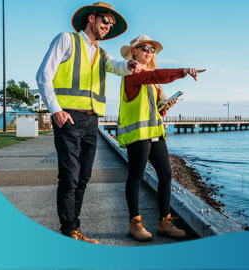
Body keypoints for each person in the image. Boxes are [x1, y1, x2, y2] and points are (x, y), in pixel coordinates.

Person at [36, 2, 141, 244]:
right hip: (69, 118)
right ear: (92, 18)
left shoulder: (102, 54)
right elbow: (43, 75)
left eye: (111, 25)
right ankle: (69, 229)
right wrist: (56, 111)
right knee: (70, 176)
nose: (107, 27)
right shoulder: (67, 40)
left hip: (92, 120)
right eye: (105, 21)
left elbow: (117, 66)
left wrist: (129, 66)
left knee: (83, 176)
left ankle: (76, 227)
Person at [118, 35, 205, 241]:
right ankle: (135, 223)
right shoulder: (132, 74)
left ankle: (164, 222)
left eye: (152, 50)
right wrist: (183, 71)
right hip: (138, 135)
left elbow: (155, 109)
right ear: (134, 52)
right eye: (145, 48)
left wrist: (165, 107)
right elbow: (155, 76)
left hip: (155, 133)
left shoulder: (153, 83)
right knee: (135, 177)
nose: (149, 52)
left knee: (166, 174)